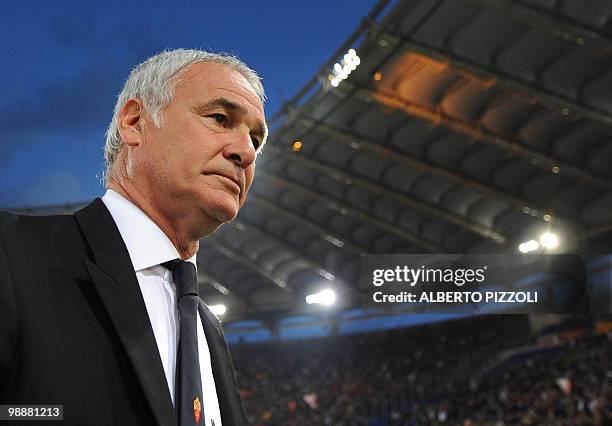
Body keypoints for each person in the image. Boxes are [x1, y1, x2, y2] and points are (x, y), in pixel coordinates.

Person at [0, 48, 267, 426]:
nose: (245, 151)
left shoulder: (208, 330)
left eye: (256, 140)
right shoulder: (11, 256)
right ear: (135, 122)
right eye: (220, 118)